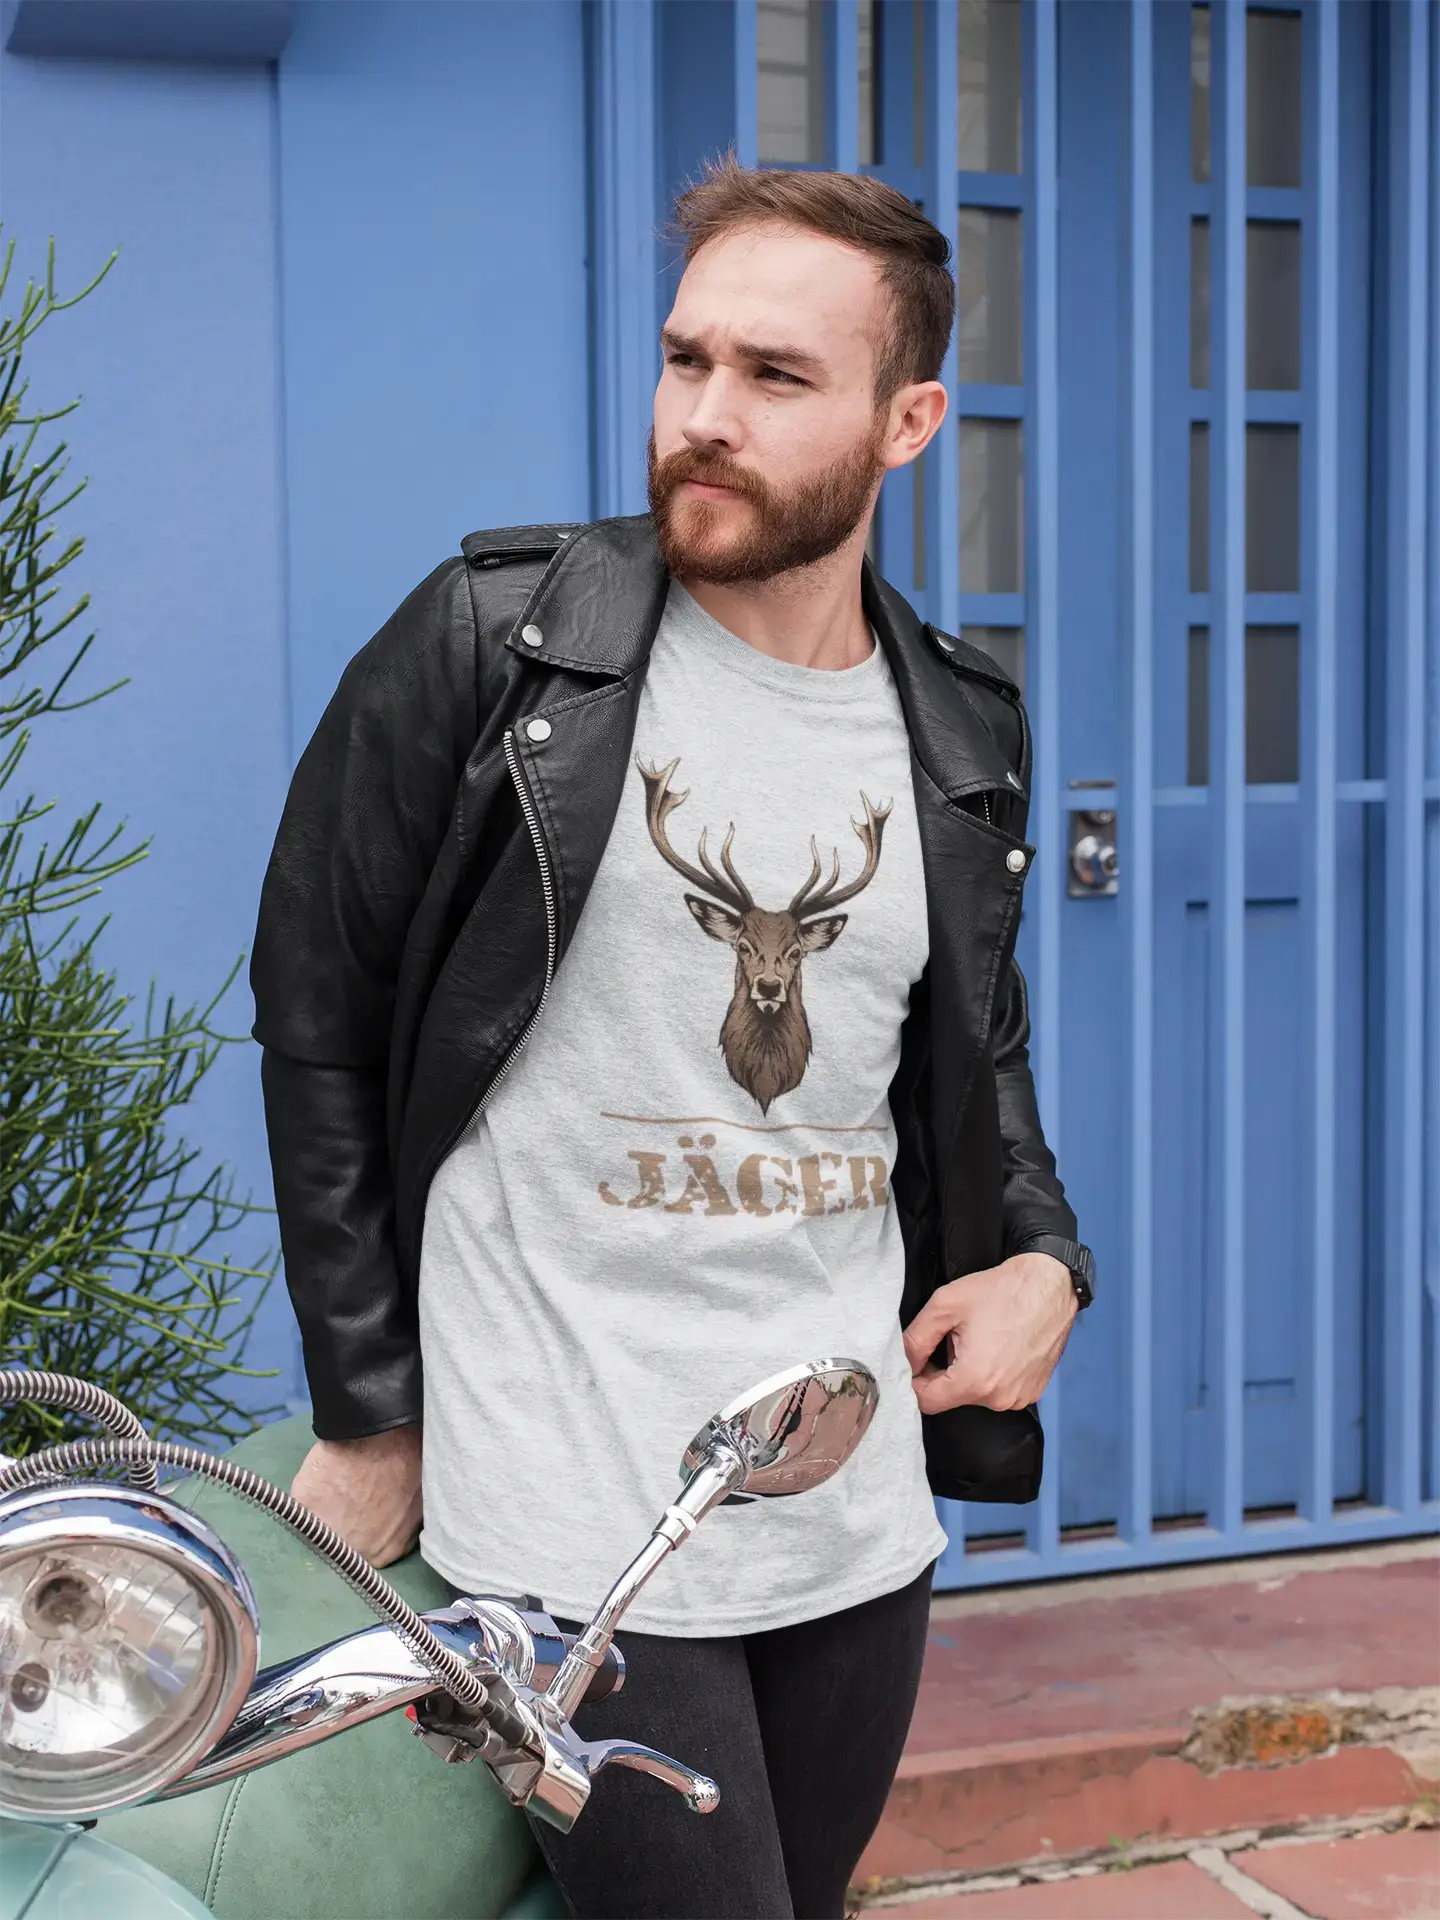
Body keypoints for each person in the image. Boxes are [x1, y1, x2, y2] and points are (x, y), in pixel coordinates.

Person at [250, 159, 1093, 1920]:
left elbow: (970, 1049)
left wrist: (1045, 1259)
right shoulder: (499, 644)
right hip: (573, 1512)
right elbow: (318, 1017)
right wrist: (373, 1405)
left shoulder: (960, 724)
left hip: (850, 1508)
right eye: (687, 358)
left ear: (909, 421)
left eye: (776, 376)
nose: (705, 415)